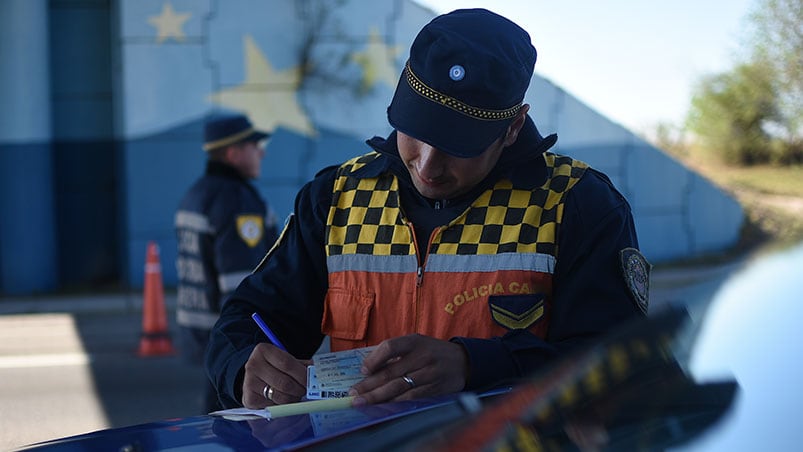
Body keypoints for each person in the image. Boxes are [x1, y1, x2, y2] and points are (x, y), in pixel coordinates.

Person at [205, 8, 650, 410]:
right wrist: (245, 367)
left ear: (513, 126)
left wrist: (474, 366)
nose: (427, 164)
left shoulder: (577, 205)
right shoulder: (335, 199)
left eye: (458, 144)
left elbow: (621, 361)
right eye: (415, 130)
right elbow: (244, 321)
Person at [175, 112, 280, 413]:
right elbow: (242, 283)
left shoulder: (196, 194)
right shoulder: (236, 201)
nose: (262, 151)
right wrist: (248, 343)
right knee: (230, 420)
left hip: (200, 327)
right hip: (230, 338)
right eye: (254, 145)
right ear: (233, 153)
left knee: (215, 413)